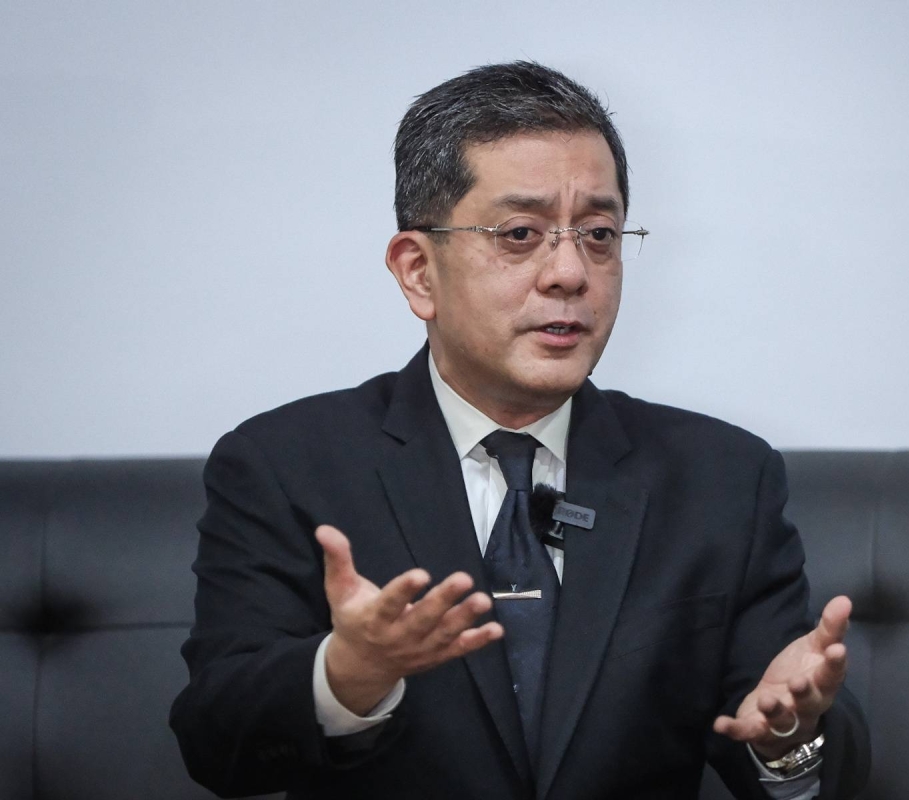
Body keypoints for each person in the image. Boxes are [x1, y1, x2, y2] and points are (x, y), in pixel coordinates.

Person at [170, 61, 870, 800]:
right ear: (417, 271)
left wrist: (789, 739)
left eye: (599, 233)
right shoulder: (286, 465)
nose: (570, 271)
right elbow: (216, 744)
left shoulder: (722, 476)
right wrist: (347, 675)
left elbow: (799, 742)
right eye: (520, 233)